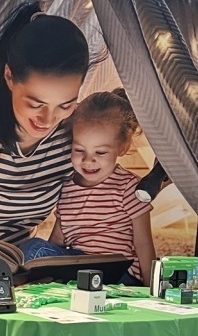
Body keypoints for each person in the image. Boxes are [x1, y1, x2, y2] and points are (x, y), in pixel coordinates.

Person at [0, 1, 93, 256]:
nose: (48, 119)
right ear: (9, 77)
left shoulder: (72, 134)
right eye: (36, 104)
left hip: (25, 256)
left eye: (65, 105)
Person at [22, 89, 157, 284]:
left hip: (119, 274)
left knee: (34, 251)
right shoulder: (67, 187)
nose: (88, 160)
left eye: (100, 152)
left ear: (123, 147)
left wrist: (151, 286)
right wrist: (46, 263)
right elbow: (58, 239)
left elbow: (143, 243)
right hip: (80, 268)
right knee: (32, 250)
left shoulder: (129, 187)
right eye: (79, 150)